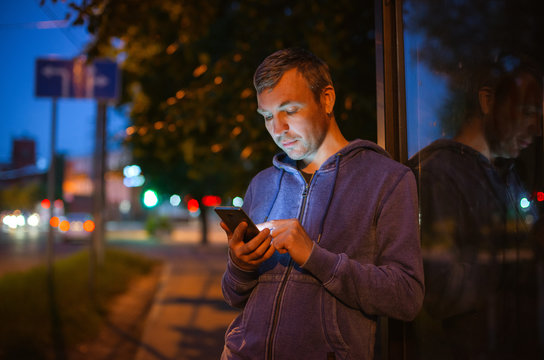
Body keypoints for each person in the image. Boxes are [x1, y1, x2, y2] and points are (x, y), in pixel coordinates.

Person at [220, 47, 424, 360]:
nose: (277, 130)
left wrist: (315, 257)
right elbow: (233, 296)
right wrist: (241, 265)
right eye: (268, 117)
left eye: (290, 110)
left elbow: (406, 296)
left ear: (326, 99)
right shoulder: (262, 184)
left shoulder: (388, 179)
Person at [407, 57, 543, 359]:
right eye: (528, 112)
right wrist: (524, 257)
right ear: (488, 100)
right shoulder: (437, 175)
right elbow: (440, 291)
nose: (537, 129)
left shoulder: (508, 176)